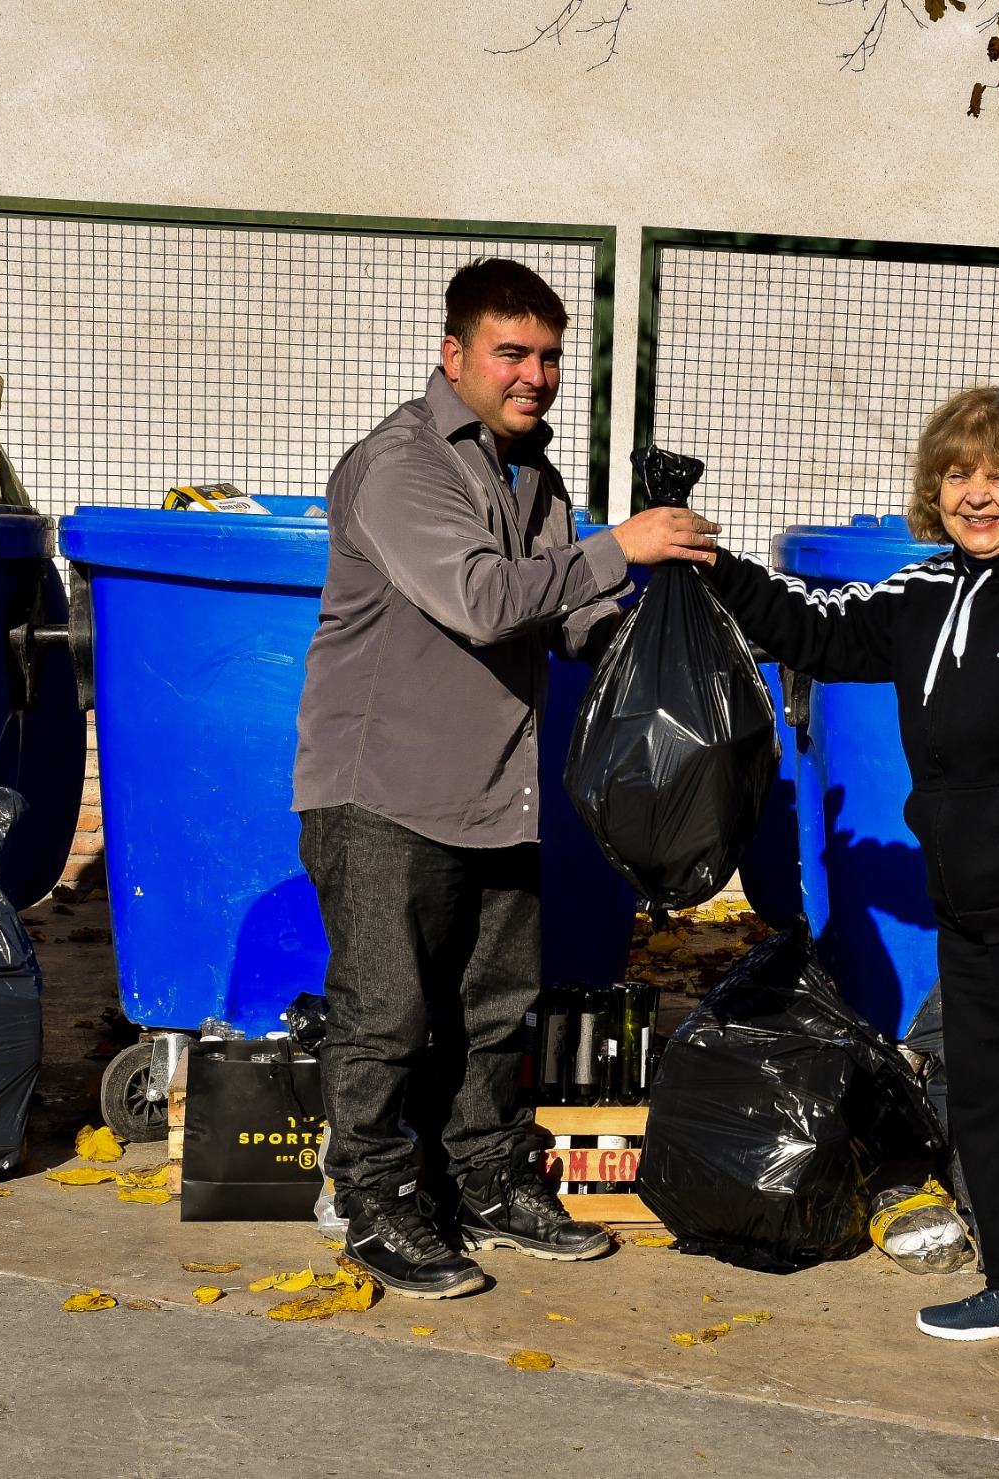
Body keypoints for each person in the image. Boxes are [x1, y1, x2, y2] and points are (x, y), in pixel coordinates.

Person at [684, 385, 999, 1399]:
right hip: (970, 896)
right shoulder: (927, 587)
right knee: (992, 1096)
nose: (976, 494)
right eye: (957, 475)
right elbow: (819, 631)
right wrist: (711, 562)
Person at [293, 257, 714, 1299]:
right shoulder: (400, 466)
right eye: (511, 353)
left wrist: (657, 634)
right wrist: (619, 546)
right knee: (387, 1015)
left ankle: (486, 1180)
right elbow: (481, 600)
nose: (535, 374)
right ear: (455, 354)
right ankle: (374, 1199)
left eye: (550, 356)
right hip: (384, 791)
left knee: (495, 1011)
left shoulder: (535, 477)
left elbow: (562, 617)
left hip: (496, 791)